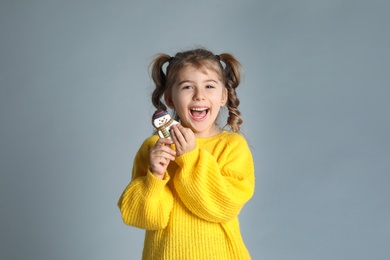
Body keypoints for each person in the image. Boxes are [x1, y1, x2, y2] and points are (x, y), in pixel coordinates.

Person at [118, 48, 255, 259]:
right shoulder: (155, 147)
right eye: (187, 87)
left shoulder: (232, 146)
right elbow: (142, 218)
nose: (199, 95)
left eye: (209, 86)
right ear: (170, 99)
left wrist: (191, 158)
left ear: (223, 96)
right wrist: (154, 176)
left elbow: (223, 207)